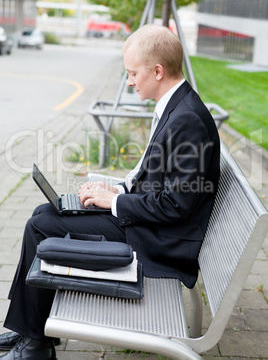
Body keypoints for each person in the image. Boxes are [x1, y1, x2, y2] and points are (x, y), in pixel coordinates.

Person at [0, 24, 220, 359]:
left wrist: (114, 201)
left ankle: (35, 344)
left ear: (157, 71)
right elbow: (159, 180)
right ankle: (28, 331)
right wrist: (117, 188)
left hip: (162, 240)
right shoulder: (177, 105)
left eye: (133, 73)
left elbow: (176, 206)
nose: (129, 81)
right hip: (152, 223)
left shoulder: (186, 119)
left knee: (41, 225)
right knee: (45, 213)